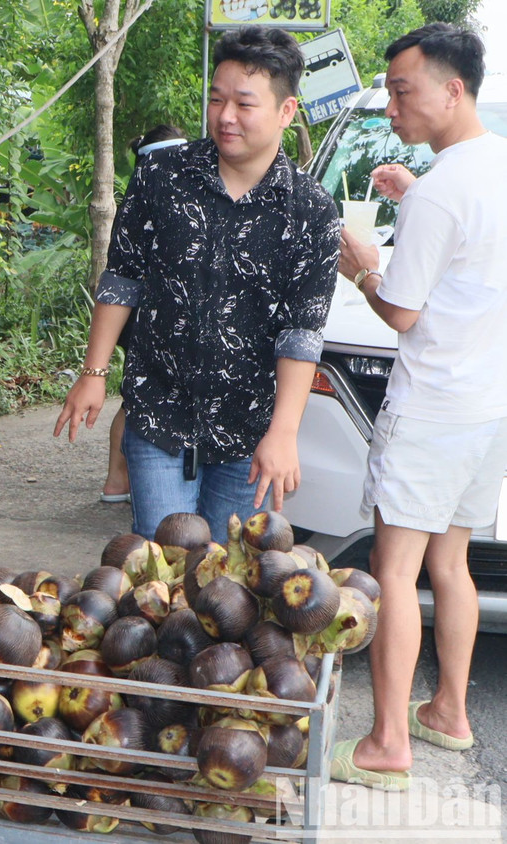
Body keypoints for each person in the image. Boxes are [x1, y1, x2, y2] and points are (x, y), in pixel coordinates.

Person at [55, 26, 340, 539]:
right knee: (162, 567)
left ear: (286, 112)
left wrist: (284, 432)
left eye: (243, 104)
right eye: (216, 99)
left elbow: (302, 333)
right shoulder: (161, 175)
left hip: (250, 428)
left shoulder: (312, 210)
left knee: (228, 583)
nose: (225, 116)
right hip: (159, 413)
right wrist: (93, 372)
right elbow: (123, 276)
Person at [330, 23, 506, 791]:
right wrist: (415, 193)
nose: (394, 107)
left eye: (403, 91)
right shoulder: (495, 167)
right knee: (453, 561)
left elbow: (401, 312)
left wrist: (364, 269)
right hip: (487, 404)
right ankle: (450, 713)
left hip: (432, 404)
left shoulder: (441, 190)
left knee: (393, 570)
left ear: (451, 88)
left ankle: (387, 744)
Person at [100, 124, 189, 505]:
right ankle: (120, 478)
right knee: (139, 399)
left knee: (134, 398)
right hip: (144, 317)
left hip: (146, 317)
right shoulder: (153, 195)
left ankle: (116, 480)